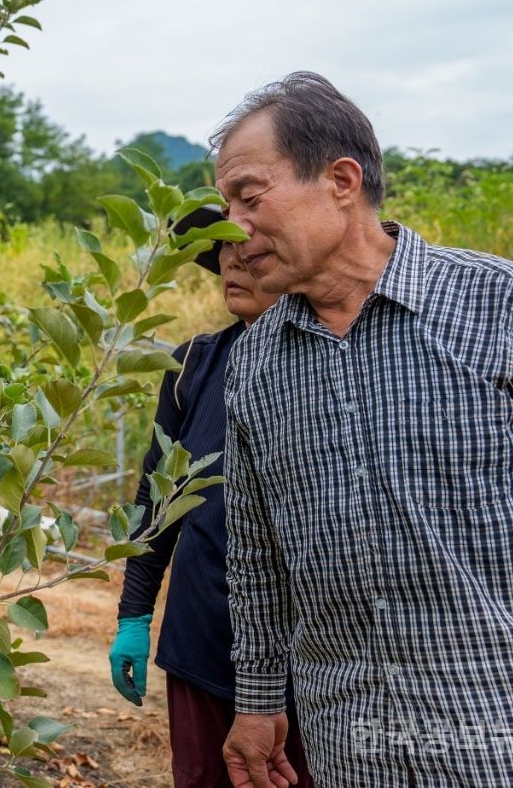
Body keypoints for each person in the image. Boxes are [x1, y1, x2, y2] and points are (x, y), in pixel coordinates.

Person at [214, 72, 513, 787]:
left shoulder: (508, 307)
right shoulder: (252, 363)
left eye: (249, 198)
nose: (233, 226)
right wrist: (257, 701)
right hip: (357, 744)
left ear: (342, 180)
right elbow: (256, 557)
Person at [109, 210, 313, 787]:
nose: (230, 262)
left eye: (245, 249)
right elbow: (158, 496)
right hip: (201, 634)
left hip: (305, 654)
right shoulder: (194, 364)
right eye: (221, 251)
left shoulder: (338, 368)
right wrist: (133, 615)